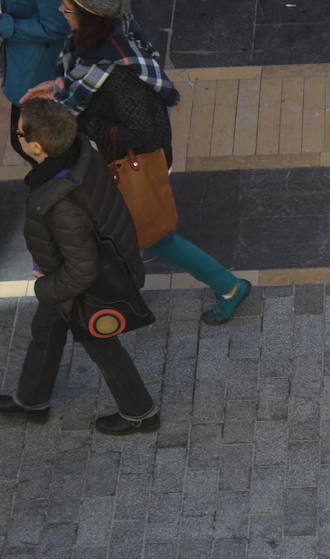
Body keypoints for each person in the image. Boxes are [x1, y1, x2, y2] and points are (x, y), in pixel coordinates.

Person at [22, 0, 250, 326]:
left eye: (68, 9)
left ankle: (228, 287)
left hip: (135, 163)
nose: (61, 11)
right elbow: (84, 80)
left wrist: (82, 123)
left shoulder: (118, 72)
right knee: (132, 231)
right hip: (118, 160)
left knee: (152, 235)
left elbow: (139, 132)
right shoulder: (105, 38)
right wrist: (60, 90)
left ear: (89, 17)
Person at [0, 98, 159, 434]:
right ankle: (32, 399)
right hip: (86, 268)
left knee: (101, 346)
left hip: (85, 286)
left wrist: (44, 286)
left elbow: (81, 270)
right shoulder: (81, 149)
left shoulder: (61, 204)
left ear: (38, 146)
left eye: (20, 134)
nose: (17, 139)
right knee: (46, 330)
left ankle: (140, 412)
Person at [0, 0, 70, 164]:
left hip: (38, 73)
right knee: (23, 143)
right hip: (23, 67)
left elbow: (56, 25)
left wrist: (5, 26)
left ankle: (56, 187)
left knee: (40, 150)